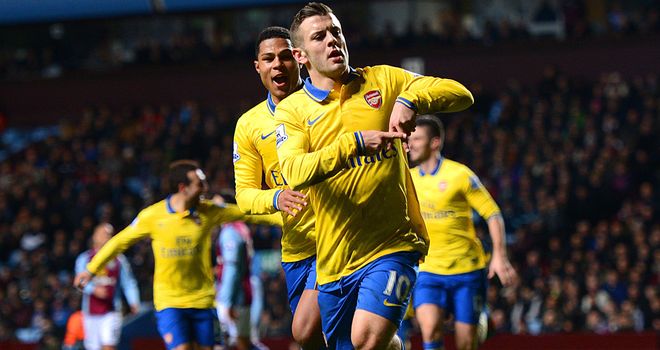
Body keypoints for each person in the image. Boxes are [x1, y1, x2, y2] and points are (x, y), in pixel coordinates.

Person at [275, 3, 474, 349]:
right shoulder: (293, 111)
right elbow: (294, 171)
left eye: (335, 32)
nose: (332, 41)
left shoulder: (383, 79)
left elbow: (461, 94)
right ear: (300, 54)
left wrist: (411, 98)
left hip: (394, 245)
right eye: (319, 37)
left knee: (365, 341)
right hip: (334, 260)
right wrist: (353, 144)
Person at [74, 160, 281, 350]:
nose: (205, 189)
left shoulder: (208, 211)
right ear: (183, 188)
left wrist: (283, 215)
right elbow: (119, 241)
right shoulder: (153, 216)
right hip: (170, 302)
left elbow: (248, 214)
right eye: (200, 184)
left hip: (203, 301)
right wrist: (91, 269)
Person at [232, 26, 323, 348]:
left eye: (285, 56)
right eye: (268, 58)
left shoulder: (325, 103)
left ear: (299, 58)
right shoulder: (249, 124)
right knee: (312, 338)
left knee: (307, 330)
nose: (278, 65)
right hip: (297, 247)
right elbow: (244, 195)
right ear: (257, 66)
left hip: (339, 237)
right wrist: (277, 196)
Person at [407, 115, 517, 350]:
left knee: (466, 342)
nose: (410, 144)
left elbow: (492, 213)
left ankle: (481, 320)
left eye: (417, 139)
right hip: (428, 271)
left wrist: (499, 255)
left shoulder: (460, 175)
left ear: (434, 142)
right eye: (409, 138)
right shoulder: (408, 179)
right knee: (430, 330)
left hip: (466, 271)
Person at [74, 223, 140, 350]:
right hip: (90, 313)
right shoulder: (84, 258)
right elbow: (78, 282)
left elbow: (129, 283)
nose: (106, 237)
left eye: (109, 235)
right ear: (94, 236)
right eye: (102, 234)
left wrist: (134, 301)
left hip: (111, 311)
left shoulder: (119, 260)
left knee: (109, 346)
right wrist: (93, 289)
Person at [216, 221, 254, 350]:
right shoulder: (241, 227)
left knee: (232, 341)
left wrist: (226, 302)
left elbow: (232, 268)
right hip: (243, 291)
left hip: (235, 295)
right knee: (242, 339)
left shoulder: (229, 232)